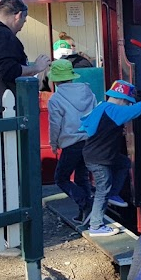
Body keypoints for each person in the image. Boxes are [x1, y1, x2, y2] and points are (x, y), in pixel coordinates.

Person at [79, 79, 141, 237]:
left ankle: (113, 194)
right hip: (100, 159)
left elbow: (85, 125)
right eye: (127, 102)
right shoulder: (113, 110)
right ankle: (96, 226)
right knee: (102, 190)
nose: (127, 105)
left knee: (124, 163)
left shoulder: (102, 106)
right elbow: (134, 112)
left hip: (97, 154)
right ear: (121, 99)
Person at [47, 59, 96, 225]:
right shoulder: (87, 91)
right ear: (71, 76)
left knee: (61, 178)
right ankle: (85, 213)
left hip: (71, 144)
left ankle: (87, 204)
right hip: (89, 140)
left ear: (54, 79)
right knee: (82, 178)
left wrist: (53, 144)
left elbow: (55, 125)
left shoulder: (56, 99)